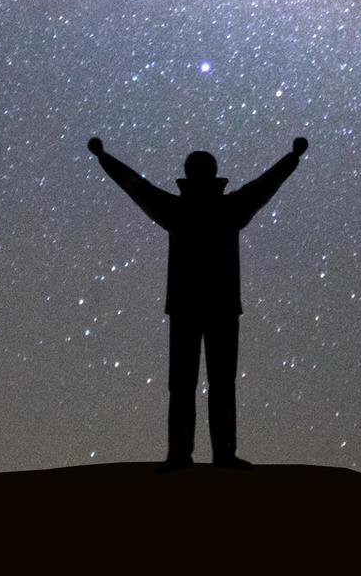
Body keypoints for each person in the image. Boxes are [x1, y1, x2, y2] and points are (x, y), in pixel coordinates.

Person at [88, 134, 307, 469]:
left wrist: (105, 159)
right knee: (218, 384)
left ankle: (183, 453)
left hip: (187, 307)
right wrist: (291, 159)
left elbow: (137, 187)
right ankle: (221, 453)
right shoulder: (229, 208)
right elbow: (265, 185)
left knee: (184, 384)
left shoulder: (178, 210)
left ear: (188, 176)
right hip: (219, 306)